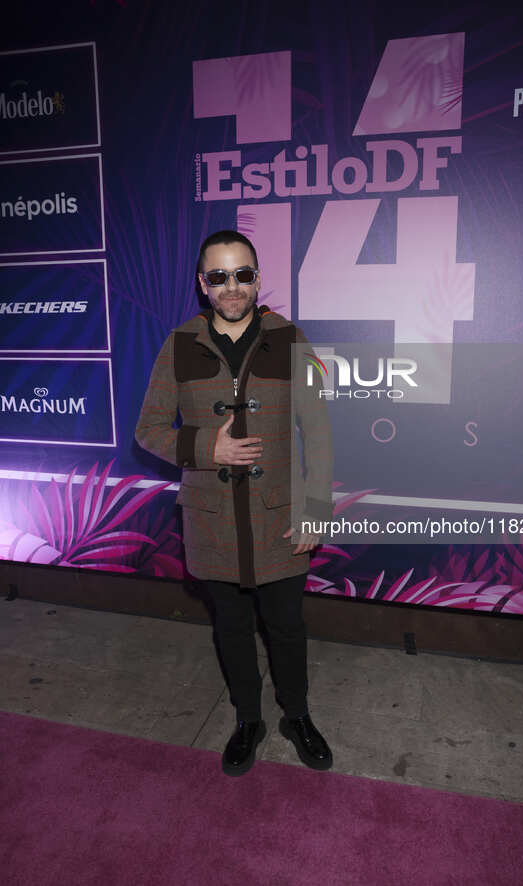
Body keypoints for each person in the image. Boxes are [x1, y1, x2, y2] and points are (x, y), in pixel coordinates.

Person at [135, 230, 334, 776]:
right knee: (231, 628)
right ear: (202, 284)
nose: (232, 287)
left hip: (279, 518)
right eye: (218, 276)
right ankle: (249, 719)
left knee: (288, 628)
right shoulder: (178, 344)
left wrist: (316, 507)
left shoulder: (291, 338)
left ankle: (297, 716)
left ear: (258, 278)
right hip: (213, 522)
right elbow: (148, 430)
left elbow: (316, 430)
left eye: (242, 274)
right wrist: (207, 446)